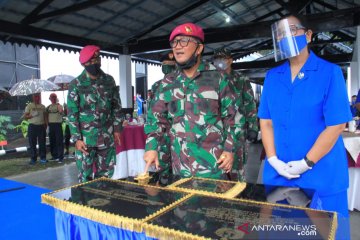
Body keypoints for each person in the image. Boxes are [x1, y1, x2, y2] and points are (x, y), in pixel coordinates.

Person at [258, 15, 352, 239]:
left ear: (308, 35)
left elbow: (337, 126)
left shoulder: (329, 73)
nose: (286, 37)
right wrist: (272, 160)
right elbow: (266, 122)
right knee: (279, 233)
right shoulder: (272, 77)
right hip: (279, 173)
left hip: (321, 173)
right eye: (280, 33)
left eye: (292, 30)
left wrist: (305, 163)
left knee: (327, 234)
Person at [144, 23, 241, 179]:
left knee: (213, 204)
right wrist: (151, 147)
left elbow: (234, 118)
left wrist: (229, 150)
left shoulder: (218, 78)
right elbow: (156, 119)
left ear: (199, 48)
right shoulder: (168, 83)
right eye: (174, 42)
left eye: (183, 41)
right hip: (179, 167)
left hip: (214, 167)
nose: (177, 47)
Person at [67, 45, 123, 183]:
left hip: (106, 136)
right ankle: (84, 203)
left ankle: (103, 204)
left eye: (97, 59)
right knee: (84, 177)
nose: (95, 63)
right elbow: (72, 113)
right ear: (84, 64)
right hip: (86, 140)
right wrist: (76, 139)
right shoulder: (76, 84)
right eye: (91, 61)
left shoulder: (109, 81)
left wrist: (117, 129)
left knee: (105, 177)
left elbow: (116, 107)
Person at [213, 47, 258, 181]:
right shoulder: (211, 79)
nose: (220, 62)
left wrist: (253, 127)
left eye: (223, 59)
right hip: (217, 130)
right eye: (217, 59)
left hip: (238, 130)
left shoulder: (241, 79)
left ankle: (238, 193)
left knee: (236, 166)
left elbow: (250, 103)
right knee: (218, 165)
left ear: (230, 60)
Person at [23, 93, 47, 164]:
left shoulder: (43, 106)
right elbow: (25, 117)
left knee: (42, 143)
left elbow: (45, 116)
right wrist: (32, 115)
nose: (37, 98)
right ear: (33, 98)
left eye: (38, 97)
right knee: (32, 143)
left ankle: (43, 158)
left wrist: (46, 124)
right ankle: (33, 159)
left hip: (41, 126)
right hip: (32, 126)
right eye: (35, 97)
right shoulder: (29, 106)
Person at [46, 93, 64, 163]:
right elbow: (46, 115)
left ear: (56, 98)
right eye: (51, 97)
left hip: (57, 124)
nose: (53, 98)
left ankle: (60, 157)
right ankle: (54, 155)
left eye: (54, 97)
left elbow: (61, 112)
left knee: (59, 141)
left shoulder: (59, 105)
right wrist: (47, 125)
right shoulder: (48, 107)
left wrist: (61, 109)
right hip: (51, 125)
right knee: (52, 141)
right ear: (50, 98)